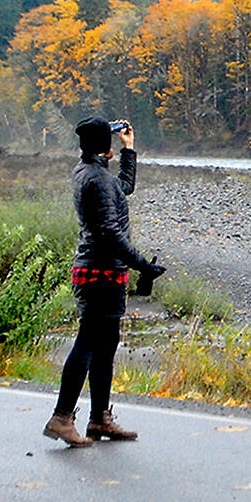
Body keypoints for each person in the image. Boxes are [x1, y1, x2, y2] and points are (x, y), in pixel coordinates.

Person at [44, 116, 165, 447]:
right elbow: (110, 232)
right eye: (112, 141)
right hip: (100, 273)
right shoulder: (97, 180)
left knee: (105, 346)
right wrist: (142, 264)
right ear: (104, 147)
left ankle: (99, 419)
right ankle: (61, 418)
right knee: (87, 344)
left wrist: (129, 150)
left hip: (100, 271)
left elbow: (123, 188)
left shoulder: (90, 171)